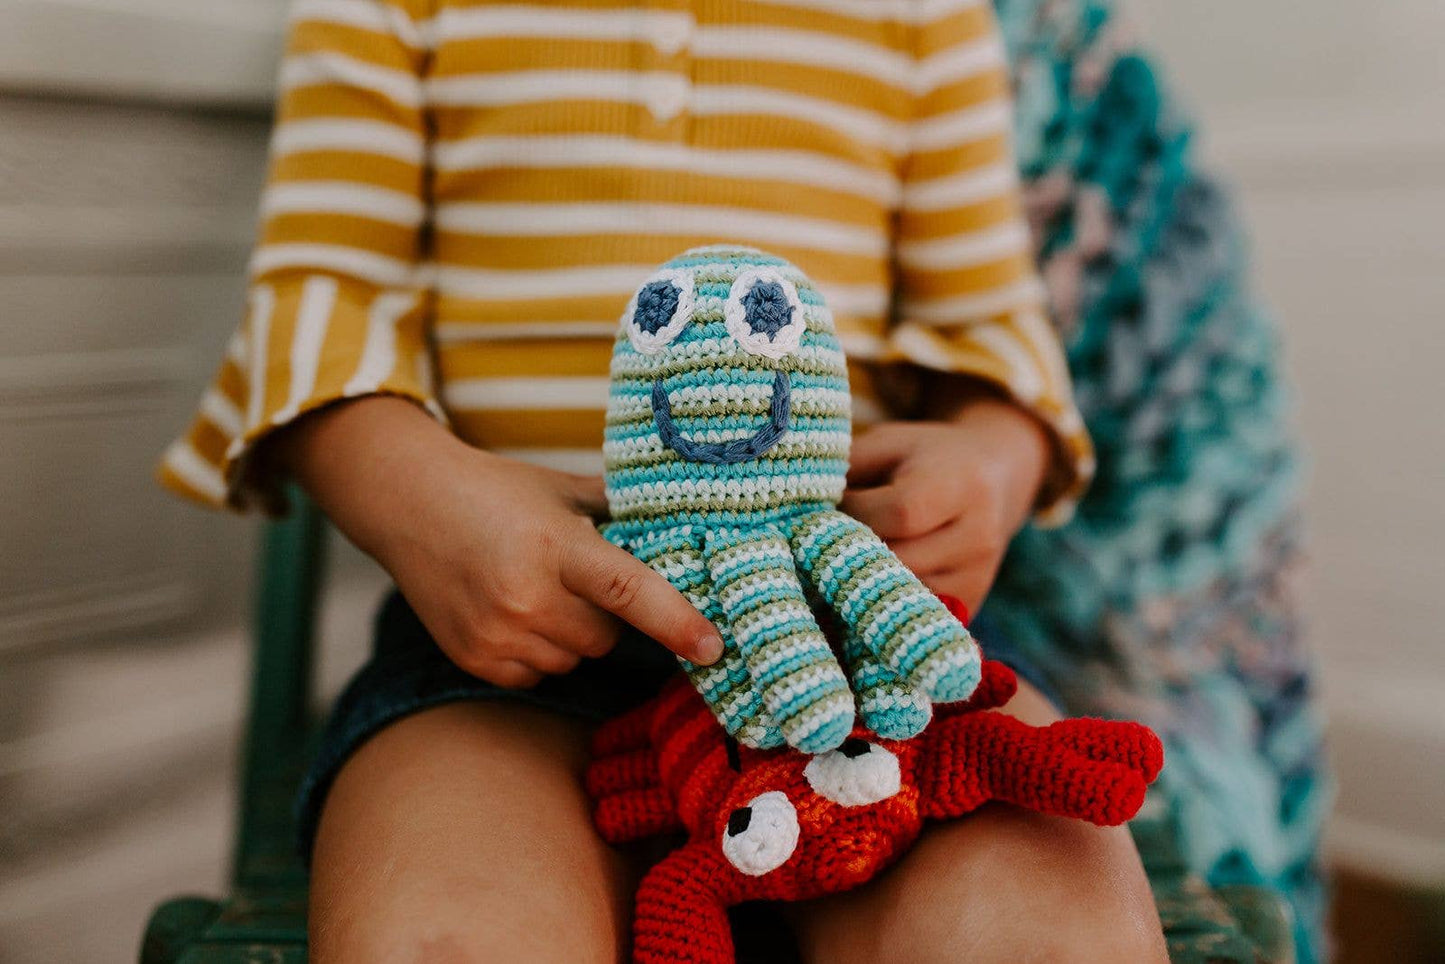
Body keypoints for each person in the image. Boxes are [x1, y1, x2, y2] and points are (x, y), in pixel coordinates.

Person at [160, 0, 1323, 960]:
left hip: (864, 636)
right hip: (509, 647)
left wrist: (991, 459)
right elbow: (317, 301)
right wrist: (416, 496)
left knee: (1043, 924)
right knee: (446, 929)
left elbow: (989, 330)